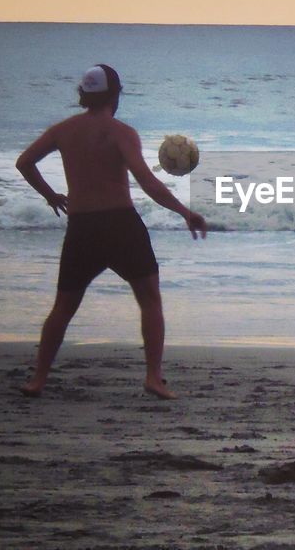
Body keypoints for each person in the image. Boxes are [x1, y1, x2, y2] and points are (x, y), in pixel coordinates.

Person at [16, 63, 207, 400]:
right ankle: (153, 378)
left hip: (82, 228)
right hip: (120, 225)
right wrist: (184, 211)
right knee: (149, 300)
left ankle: (38, 380)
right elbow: (147, 181)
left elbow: (25, 162)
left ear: (84, 95)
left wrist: (51, 196)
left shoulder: (62, 130)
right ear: (115, 94)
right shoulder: (122, 132)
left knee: (63, 308)